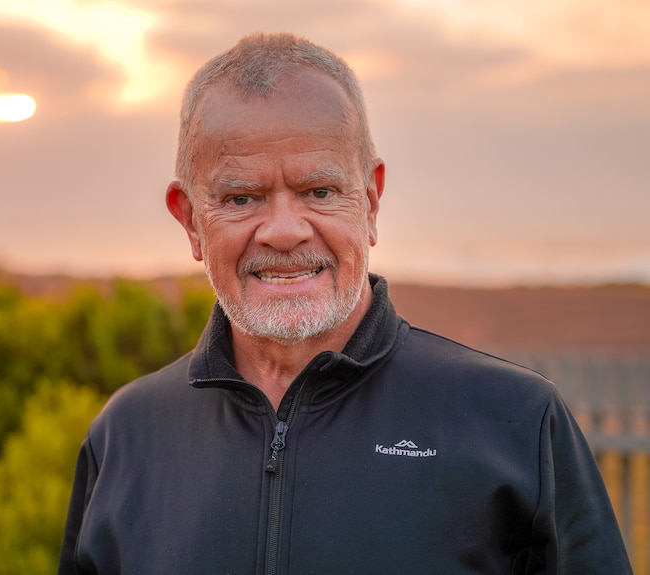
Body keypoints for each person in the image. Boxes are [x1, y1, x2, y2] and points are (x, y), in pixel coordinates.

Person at [58, 32, 632, 574]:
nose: (284, 231)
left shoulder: (517, 423)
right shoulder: (125, 438)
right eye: (241, 197)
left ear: (371, 200)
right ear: (189, 220)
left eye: (319, 191)